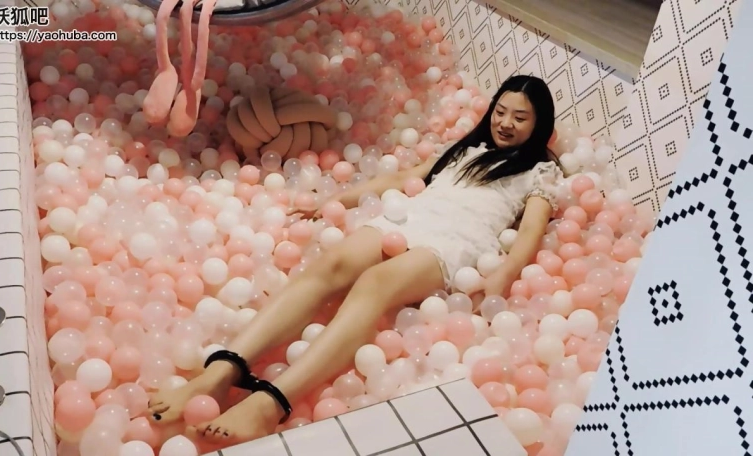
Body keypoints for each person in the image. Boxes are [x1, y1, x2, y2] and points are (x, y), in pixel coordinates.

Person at [146, 74, 563, 447]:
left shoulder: (539, 171)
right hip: (409, 219)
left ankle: (270, 403)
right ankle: (221, 372)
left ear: (538, 124)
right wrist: (336, 199)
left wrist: (504, 274)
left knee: (373, 285)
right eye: (500, 111)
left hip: (455, 242)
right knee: (330, 265)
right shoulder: (467, 150)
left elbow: (530, 230)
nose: (505, 123)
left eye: (520, 118)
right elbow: (403, 178)